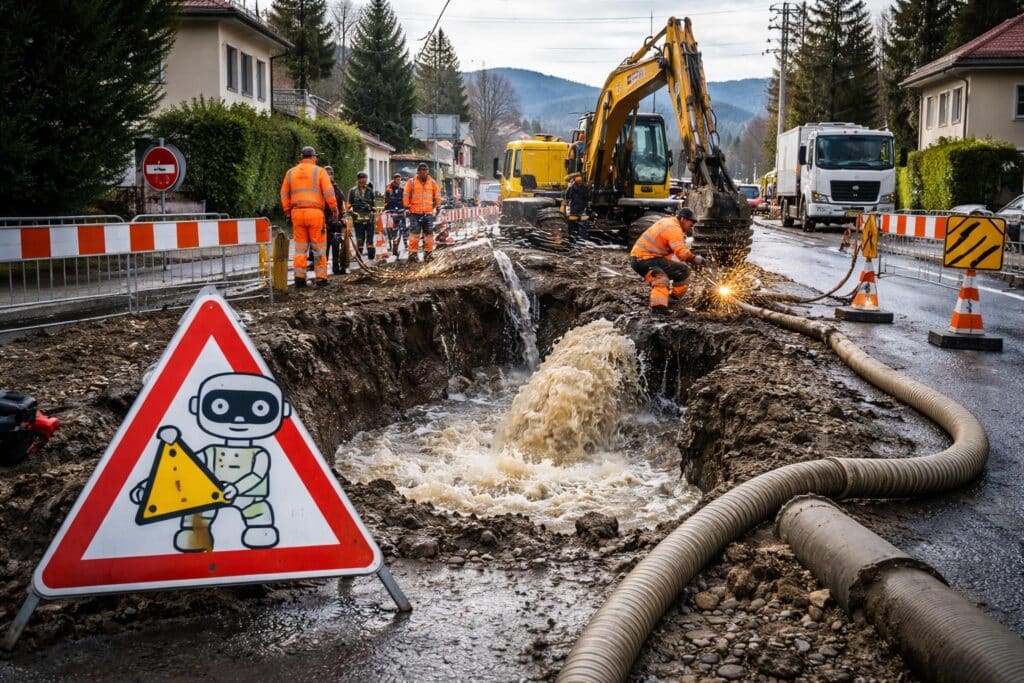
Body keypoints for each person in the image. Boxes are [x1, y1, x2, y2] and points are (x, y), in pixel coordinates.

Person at [280, 146, 338, 288]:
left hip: (297, 213)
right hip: (315, 213)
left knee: (300, 248)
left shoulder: (290, 173)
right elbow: (329, 192)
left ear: (301, 157)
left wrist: (288, 211)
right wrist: (334, 209)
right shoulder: (320, 171)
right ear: (314, 157)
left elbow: (284, 194)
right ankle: (321, 278)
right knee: (318, 247)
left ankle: (299, 278)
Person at [629, 206, 703, 314]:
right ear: (683, 219)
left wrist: (689, 261)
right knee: (661, 280)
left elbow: (672, 253)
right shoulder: (673, 228)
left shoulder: (670, 223)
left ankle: (672, 299)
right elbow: (681, 252)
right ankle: (659, 309)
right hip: (642, 259)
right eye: (690, 225)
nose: (690, 228)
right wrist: (694, 258)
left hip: (653, 258)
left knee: (683, 271)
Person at [403, 163, 442, 262]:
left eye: (425, 170)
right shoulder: (411, 182)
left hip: (428, 213)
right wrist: (406, 207)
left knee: (429, 234)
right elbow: (406, 195)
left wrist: (438, 206)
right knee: (414, 234)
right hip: (415, 213)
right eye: (421, 170)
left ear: (428, 171)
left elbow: (437, 196)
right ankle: (412, 255)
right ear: (418, 172)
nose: (423, 172)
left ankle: (428, 254)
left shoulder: (432, 183)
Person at [323, 166, 349, 275]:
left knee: (336, 245)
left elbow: (342, 205)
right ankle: (322, 270)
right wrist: (327, 220)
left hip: (336, 222)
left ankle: (336, 267)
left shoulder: (337, 189)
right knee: (324, 247)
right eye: (327, 174)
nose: (329, 176)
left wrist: (343, 217)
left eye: (331, 174)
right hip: (324, 222)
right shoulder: (320, 189)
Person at [348, 172, 376, 261]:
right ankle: (359, 254)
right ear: (358, 180)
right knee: (360, 238)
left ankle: (371, 256)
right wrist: (350, 210)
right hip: (358, 219)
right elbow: (349, 204)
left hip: (369, 218)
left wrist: (374, 210)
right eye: (361, 178)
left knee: (370, 237)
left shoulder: (370, 190)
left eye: (365, 178)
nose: (363, 180)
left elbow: (373, 204)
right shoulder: (352, 191)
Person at [564, 173, 591, 242]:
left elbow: (567, 197)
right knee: (582, 225)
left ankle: (571, 239)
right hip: (582, 208)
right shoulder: (585, 187)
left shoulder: (571, 187)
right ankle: (582, 240)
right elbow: (587, 198)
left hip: (574, 208)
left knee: (572, 224)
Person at [384, 173, 406, 255]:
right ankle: (393, 243)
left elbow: (404, 200)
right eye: (398, 180)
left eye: (400, 180)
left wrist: (404, 208)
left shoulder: (401, 189)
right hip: (392, 212)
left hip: (400, 211)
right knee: (392, 229)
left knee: (403, 228)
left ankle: (404, 243)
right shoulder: (389, 189)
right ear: (394, 179)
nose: (399, 181)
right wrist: (388, 210)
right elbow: (386, 201)